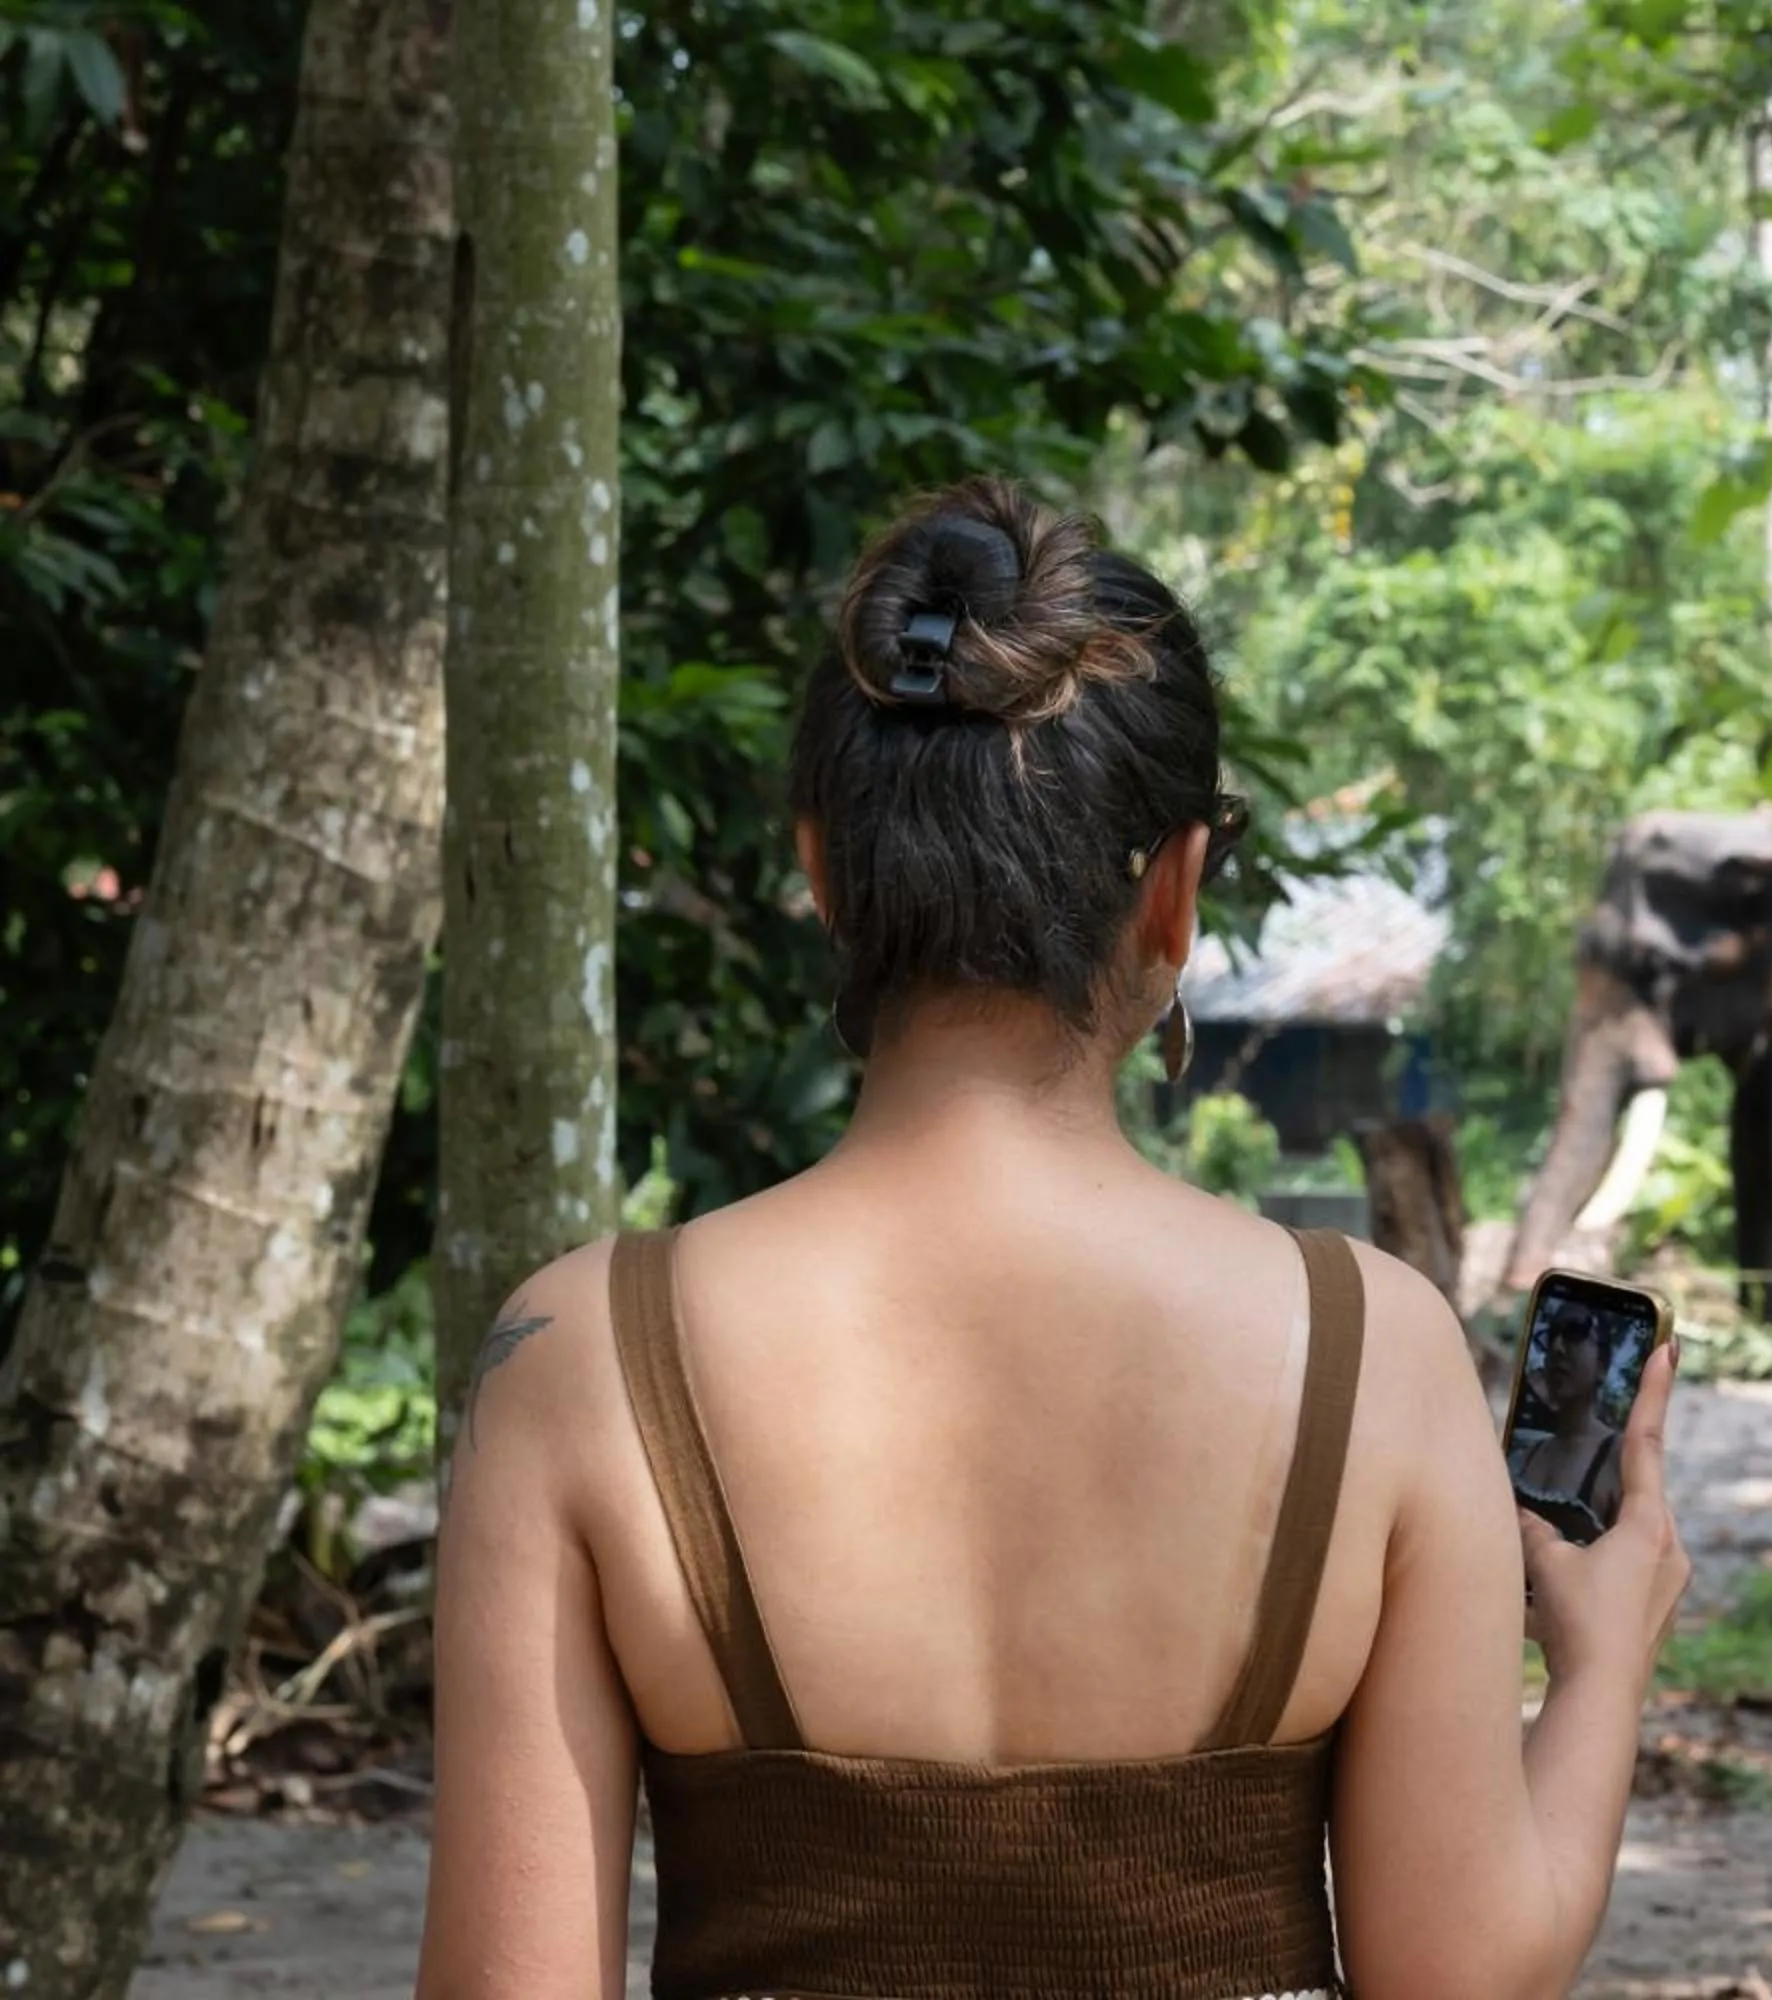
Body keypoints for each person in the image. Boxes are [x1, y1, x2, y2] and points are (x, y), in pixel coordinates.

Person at [415, 479, 1691, 2000]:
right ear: (1175, 890)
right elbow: (1463, 1974)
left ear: (823, 872)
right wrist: (1602, 1662)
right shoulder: (1372, 1347)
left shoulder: (579, 1358)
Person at [1506, 1308, 1628, 1537]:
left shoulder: (1620, 1457)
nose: (1557, 1347)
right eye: (1551, 1336)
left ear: (1602, 1366)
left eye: (1574, 1332)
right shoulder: (1527, 1454)